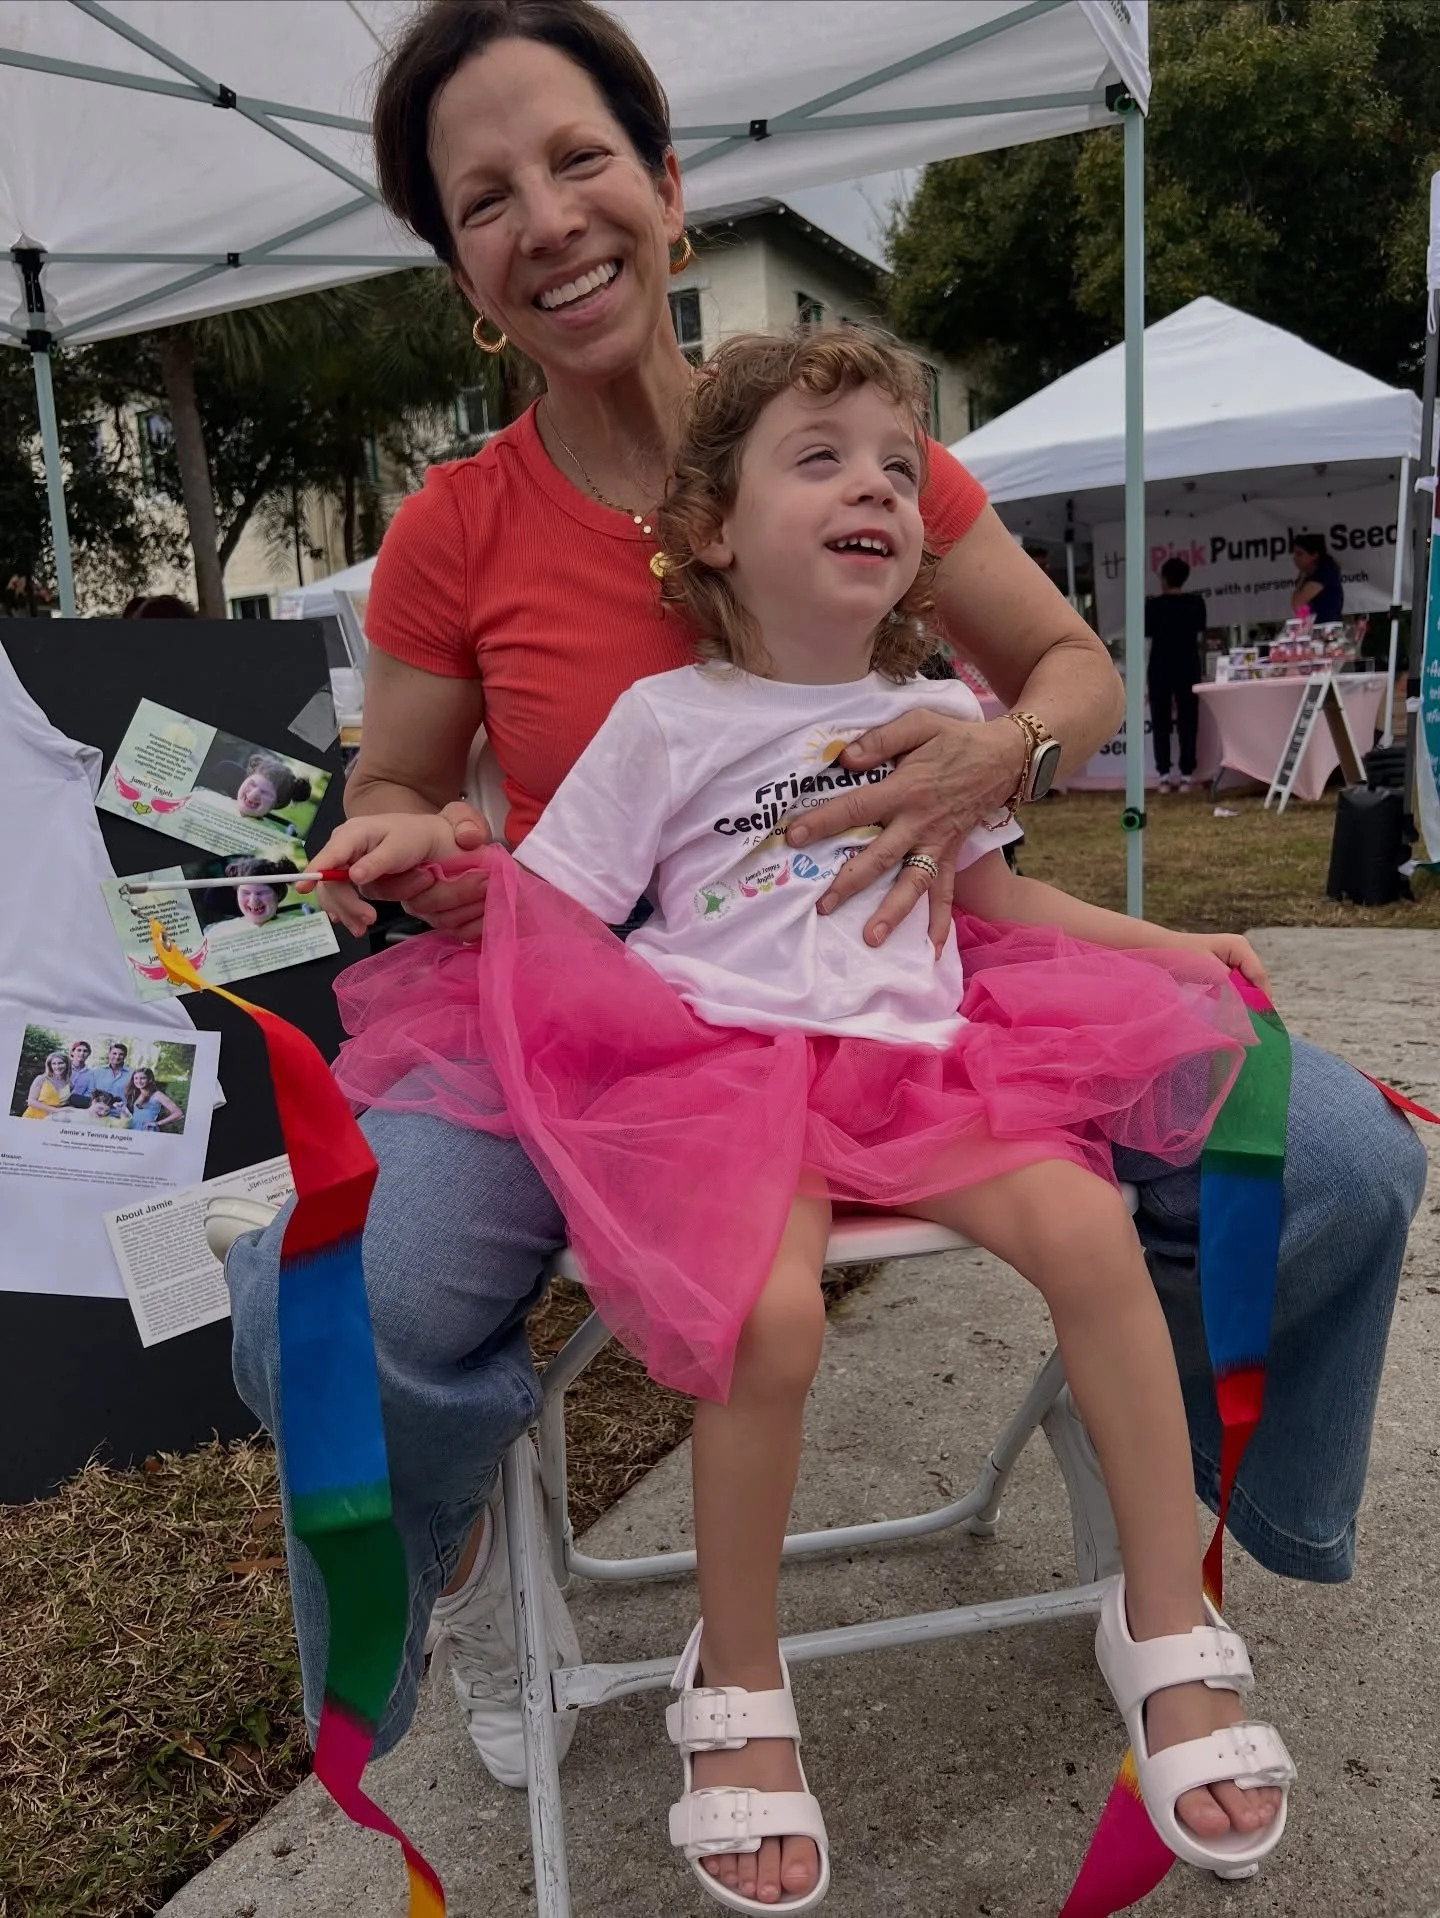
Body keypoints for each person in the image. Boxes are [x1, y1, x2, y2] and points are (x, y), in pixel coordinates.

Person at [210, 0, 1426, 1842]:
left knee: (1331, 1156)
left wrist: (990, 753)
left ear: (670, 185)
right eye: (484, 196)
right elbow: (398, 781)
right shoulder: (460, 517)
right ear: (458, 261)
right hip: (594, 989)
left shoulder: (839, 438)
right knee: (332, 1288)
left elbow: (1075, 667)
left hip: (919, 942)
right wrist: (401, 834)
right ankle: (452, 1570)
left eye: (579, 157)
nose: (546, 216)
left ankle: (1167, 1544)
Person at [310, 328, 1296, 1906]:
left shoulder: (935, 702)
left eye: (900, 468)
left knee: (1093, 1228)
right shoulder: (664, 720)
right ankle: (744, 1681)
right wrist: (448, 852)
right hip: (718, 1064)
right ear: (713, 529)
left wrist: (1170, 950)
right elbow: (556, 907)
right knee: (764, 1318)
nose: (879, 488)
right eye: (822, 458)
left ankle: (1165, 1614)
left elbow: (996, 896)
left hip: (922, 1059)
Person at [1145, 556, 1207, 794]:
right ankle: (1187, 774)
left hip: (1160, 666)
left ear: (1164, 578)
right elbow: (1200, 635)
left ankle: (1163, 774)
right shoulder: (1196, 603)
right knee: (1188, 720)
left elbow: (1147, 634)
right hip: (1187, 665)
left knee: (1160, 720)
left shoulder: (1153, 605)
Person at [1290, 533, 1344, 624]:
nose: (1295, 558)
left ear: (1314, 555)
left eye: (1300, 554)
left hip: (1327, 628)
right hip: (1313, 628)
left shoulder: (1325, 572)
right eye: (1295, 554)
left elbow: (1298, 603)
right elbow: (1299, 610)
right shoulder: (1307, 575)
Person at [123, 1067, 183, 1132]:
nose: (139, 1081)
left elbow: (178, 1113)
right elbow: (135, 1115)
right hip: (133, 1128)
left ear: (150, 1079)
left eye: (143, 1078)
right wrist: (122, 1109)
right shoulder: (136, 1094)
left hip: (147, 1129)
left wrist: (157, 1123)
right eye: (136, 1078)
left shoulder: (157, 1095)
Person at [22, 1050, 71, 1118]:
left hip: (53, 1118)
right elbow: (31, 1101)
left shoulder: (68, 1082)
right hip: (34, 1116)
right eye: (54, 1064)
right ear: (50, 1065)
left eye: (60, 1063)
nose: (57, 1066)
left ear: (67, 1064)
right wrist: (56, 1110)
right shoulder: (41, 1079)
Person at [65, 1039, 97, 1108]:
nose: (82, 1053)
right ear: (72, 1052)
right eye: (79, 1050)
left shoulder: (91, 1073)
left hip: (79, 1106)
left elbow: (90, 1092)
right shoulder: (64, 1068)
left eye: (85, 1051)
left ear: (89, 1054)